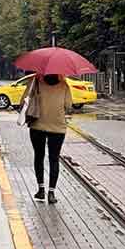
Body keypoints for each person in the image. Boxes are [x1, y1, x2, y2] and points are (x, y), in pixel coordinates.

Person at [25, 74, 72, 204]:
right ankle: (51, 193)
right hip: (58, 127)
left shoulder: (35, 81)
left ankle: (41, 189)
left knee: (39, 156)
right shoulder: (64, 84)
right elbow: (68, 105)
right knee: (54, 159)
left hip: (37, 125)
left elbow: (24, 99)